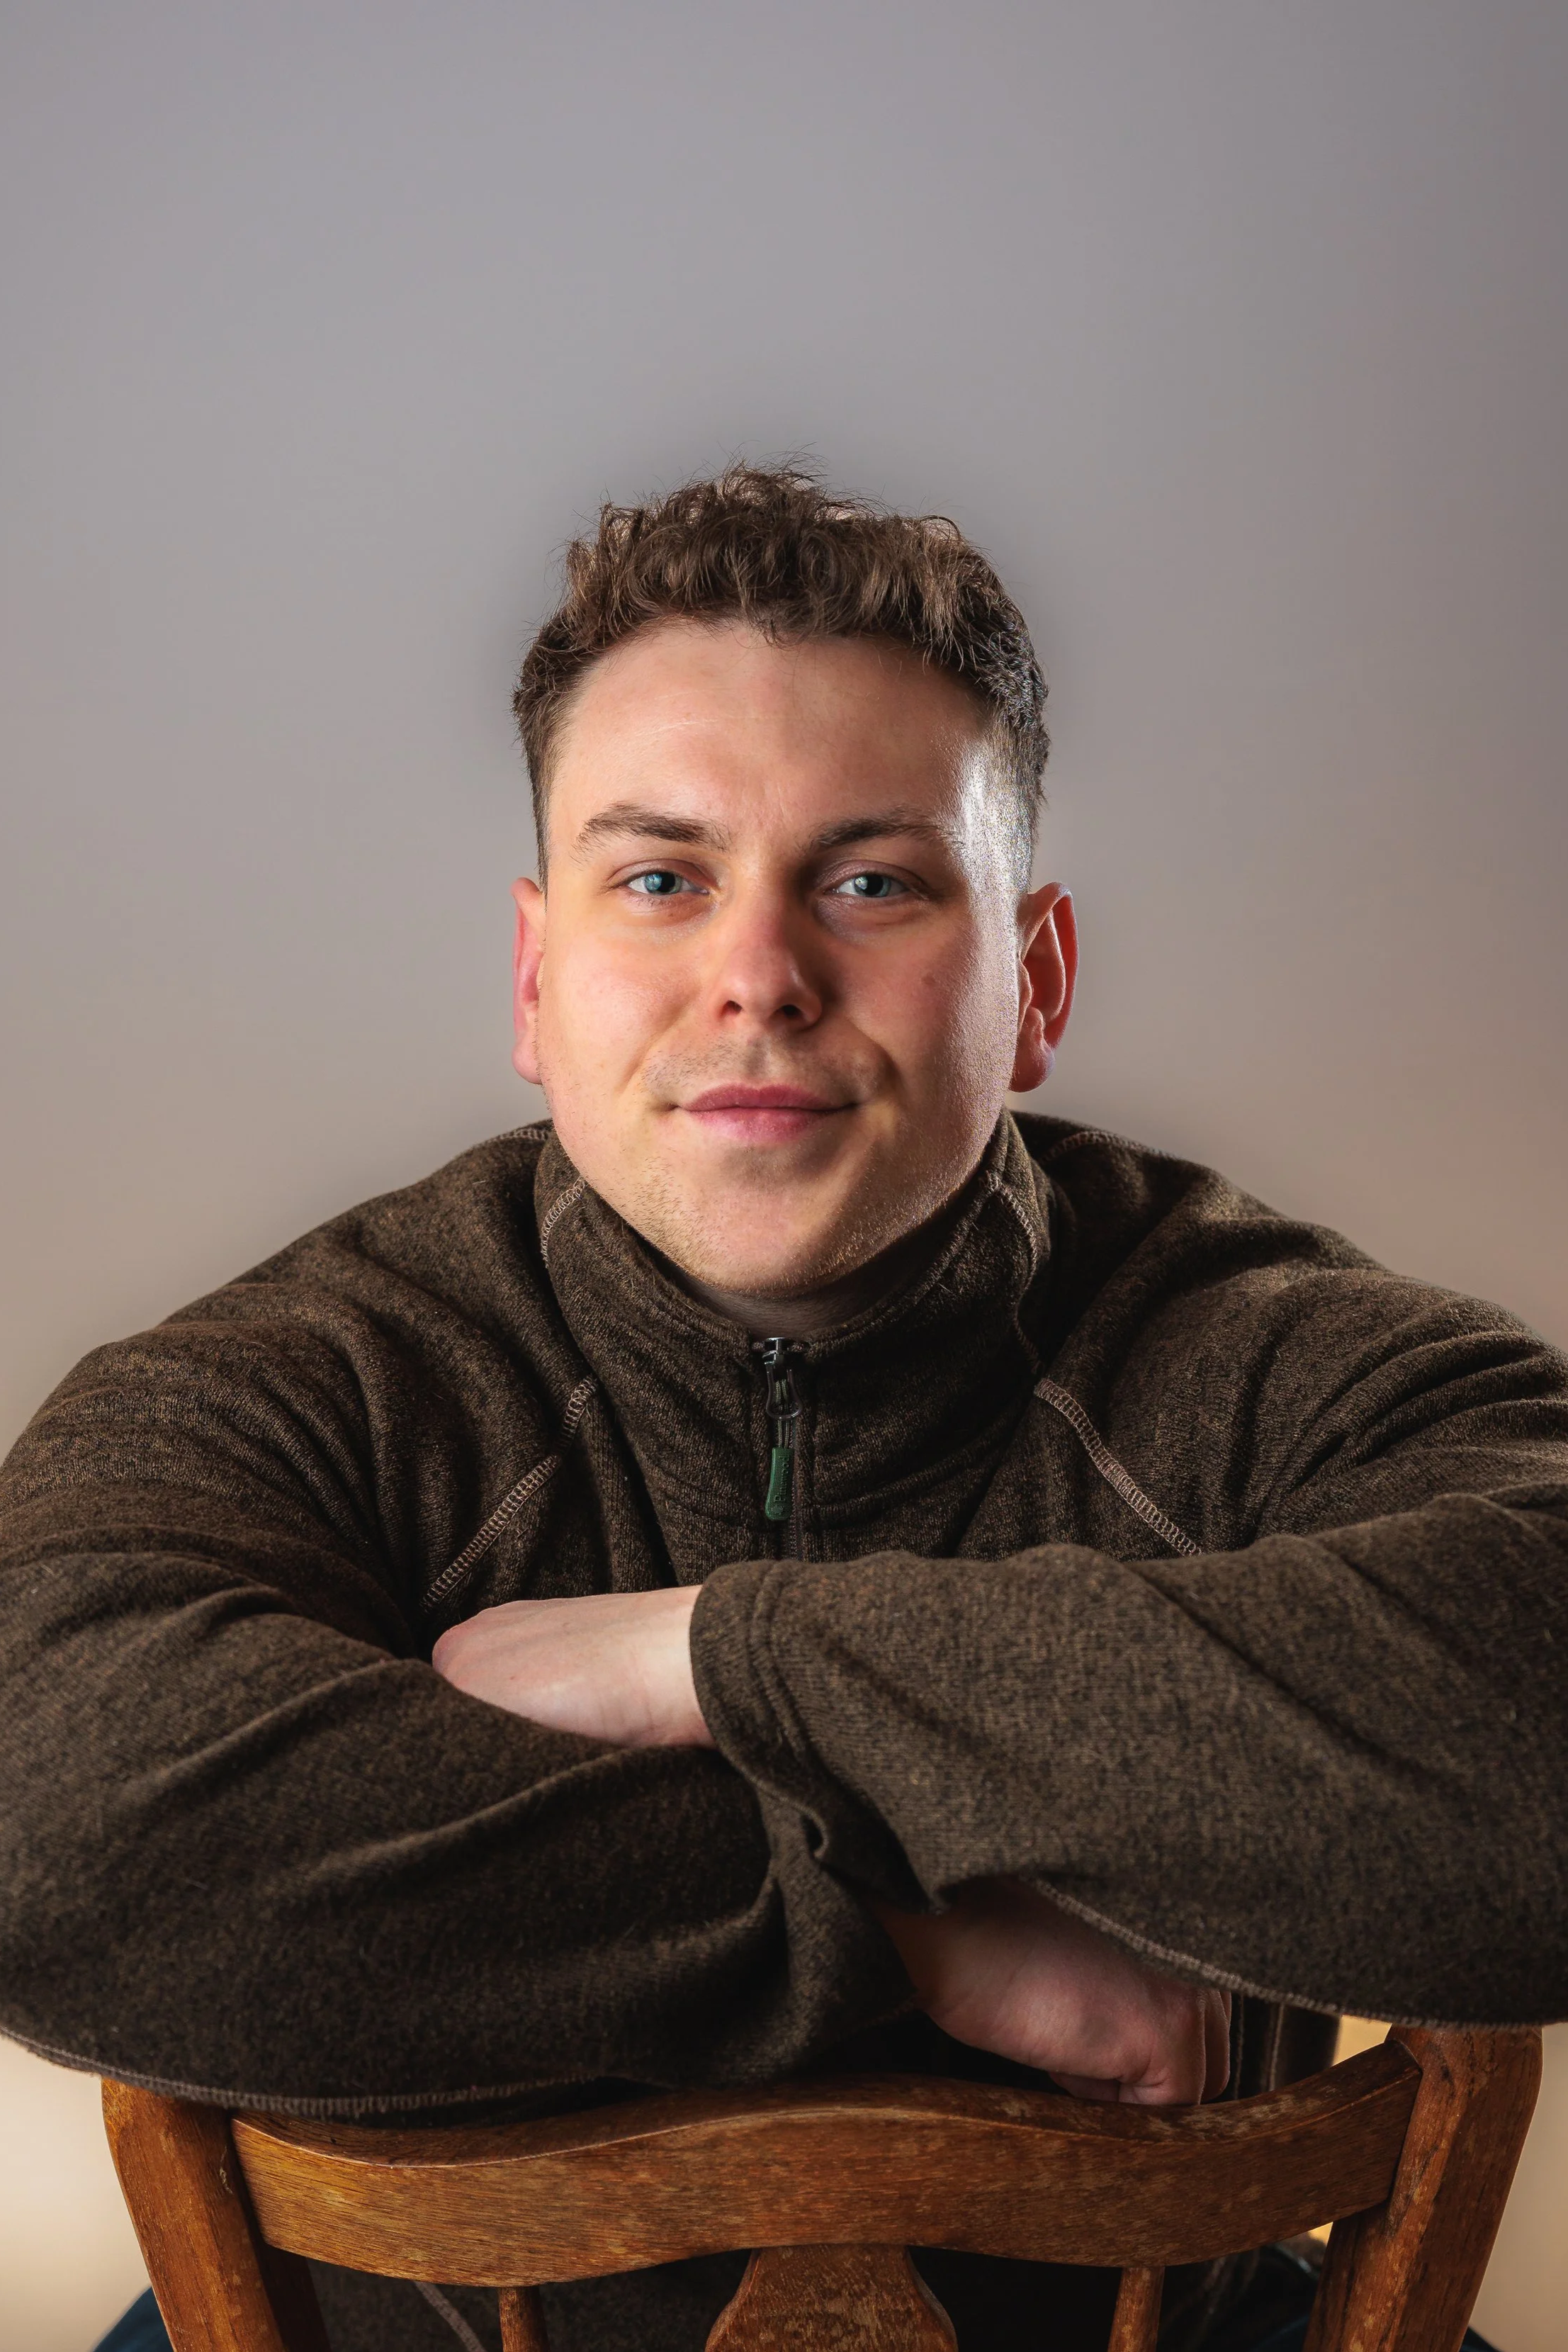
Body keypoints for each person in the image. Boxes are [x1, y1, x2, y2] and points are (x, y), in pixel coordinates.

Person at [2, 468, 1560, 2352]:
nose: (757, 978)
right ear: (537, 976)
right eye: (660, 880)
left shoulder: (1241, 1348)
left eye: (870, 881)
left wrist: (718, 1657)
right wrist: (912, 1937)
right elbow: (48, 1825)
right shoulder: (336, 1369)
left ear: (1036, 977)